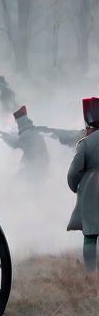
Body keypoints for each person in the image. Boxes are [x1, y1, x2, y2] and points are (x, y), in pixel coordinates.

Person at [67, 97, 99, 273]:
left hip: (91, 191)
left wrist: (75, 187)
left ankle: (91, 273)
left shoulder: (85, 143)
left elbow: (73, 174)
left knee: (90, 234)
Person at [0, 105, 49, 173]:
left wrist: (3, 136)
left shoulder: (27, 134)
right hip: (40, 166)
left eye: (17, 122)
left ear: (21, 122)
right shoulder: (32, 131)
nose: (17, 125)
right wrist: (2, 134)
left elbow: (15, 144)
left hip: (34, 168)